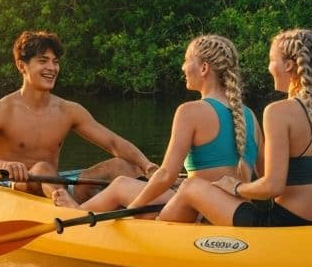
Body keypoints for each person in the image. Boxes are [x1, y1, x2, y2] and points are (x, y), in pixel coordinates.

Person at [158, 28, 312, 227]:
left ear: (287, 66)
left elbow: (272, 187)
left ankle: (154, 234)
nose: (269, 68)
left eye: (271, 60)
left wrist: (237, 187)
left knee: (191, 186)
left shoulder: (278, 112)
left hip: (285, 222)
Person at [55, 34, 261, 215]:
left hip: (199, 211)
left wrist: (133, 207)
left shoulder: (190, 111)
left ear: (204, 68)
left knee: (120, 185)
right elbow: (264, 178)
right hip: (236, 210)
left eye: (187, 60)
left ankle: (77, 214)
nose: (183, 67)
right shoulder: (250, 116)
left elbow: (165, 175)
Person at [0, 30, 156, 204]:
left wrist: (148, 166)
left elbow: (113, 142)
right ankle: (71, 212)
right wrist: (2, 165)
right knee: (43, 168)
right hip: (17, 190)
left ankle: (158, 209)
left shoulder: (68, 110)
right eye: (43, 61)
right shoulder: (1, 111)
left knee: (121, 165)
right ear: (21, 66)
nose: (52, 68)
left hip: (55, 186)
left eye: (55, 62)